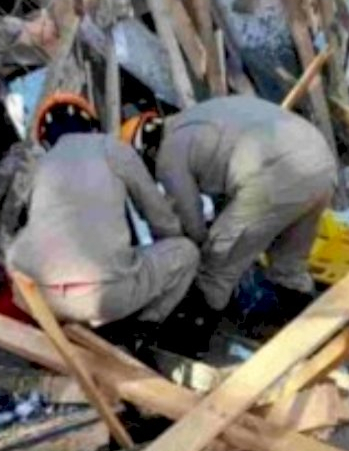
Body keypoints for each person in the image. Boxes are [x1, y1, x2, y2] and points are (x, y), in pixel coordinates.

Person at [121, 95, 337, 317]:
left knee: (216, 266)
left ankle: (190, 335)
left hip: (277, 175)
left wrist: (199, 247)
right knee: (289, 266)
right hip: (321, 164)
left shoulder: (169, 152)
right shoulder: (195, 118)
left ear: (145, 151)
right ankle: (313, 329)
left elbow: (189, 217)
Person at [6, 92, 200, 327]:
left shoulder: (39, 168)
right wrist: (170, 244)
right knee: (187, 253)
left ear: (46, 139)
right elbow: (158, 215)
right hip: (108, 297)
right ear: (92, 123)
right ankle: (144, 327)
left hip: (47, 302)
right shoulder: (111, 148)